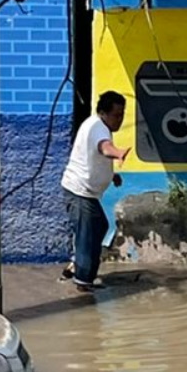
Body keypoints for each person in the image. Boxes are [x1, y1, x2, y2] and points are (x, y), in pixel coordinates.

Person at [60, 91, 130, 291]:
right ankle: (83, 282)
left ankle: (76, 267)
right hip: (80, 191)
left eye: (122, 114)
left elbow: (94, 156)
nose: (120, 119)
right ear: (104, 113)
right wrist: (118, 153)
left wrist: (111, 175)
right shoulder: (98, 128)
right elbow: (105, 148)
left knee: (98, 226)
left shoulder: (96, 125)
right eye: (116, 115)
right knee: (89, 234)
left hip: (83, 191)